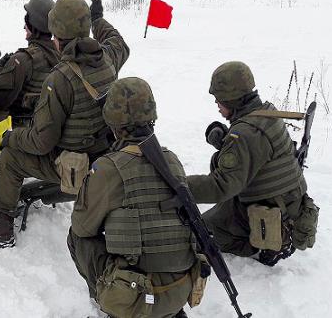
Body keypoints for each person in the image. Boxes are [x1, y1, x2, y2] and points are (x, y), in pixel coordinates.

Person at [0, 0, 130, 249]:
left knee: (10, 157)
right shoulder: (108, 58)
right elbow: (118, 42)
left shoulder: (61, 79)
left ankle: (2, 231)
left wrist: (9, 137)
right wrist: (98, 19)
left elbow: (41, 141)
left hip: (75, 165)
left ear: (56, 36)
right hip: (104, 158)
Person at [68, 77, 199, 318]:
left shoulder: (109, 167)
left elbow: (82, 227)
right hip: (181, 290)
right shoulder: (171, 159)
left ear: (113, 121)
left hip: (135, 297)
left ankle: (112, 305)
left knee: (77, 238)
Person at [187, 61, 318, 266]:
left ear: (232, 100)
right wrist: (226, 143)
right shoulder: (267, 112)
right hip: (287, 203)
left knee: (196, 234)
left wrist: (178, 185)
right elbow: (257, 153)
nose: (217, 105)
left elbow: (220, 186)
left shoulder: (244, 134)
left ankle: (260, 246)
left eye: (219, 100)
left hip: (271, 215)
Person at [0, 0, 59, 124]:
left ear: (34, 25)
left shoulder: (23, 60)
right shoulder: (60, 53)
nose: (24, 27)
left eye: (27, 23)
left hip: (21, 130)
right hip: (45, 123)